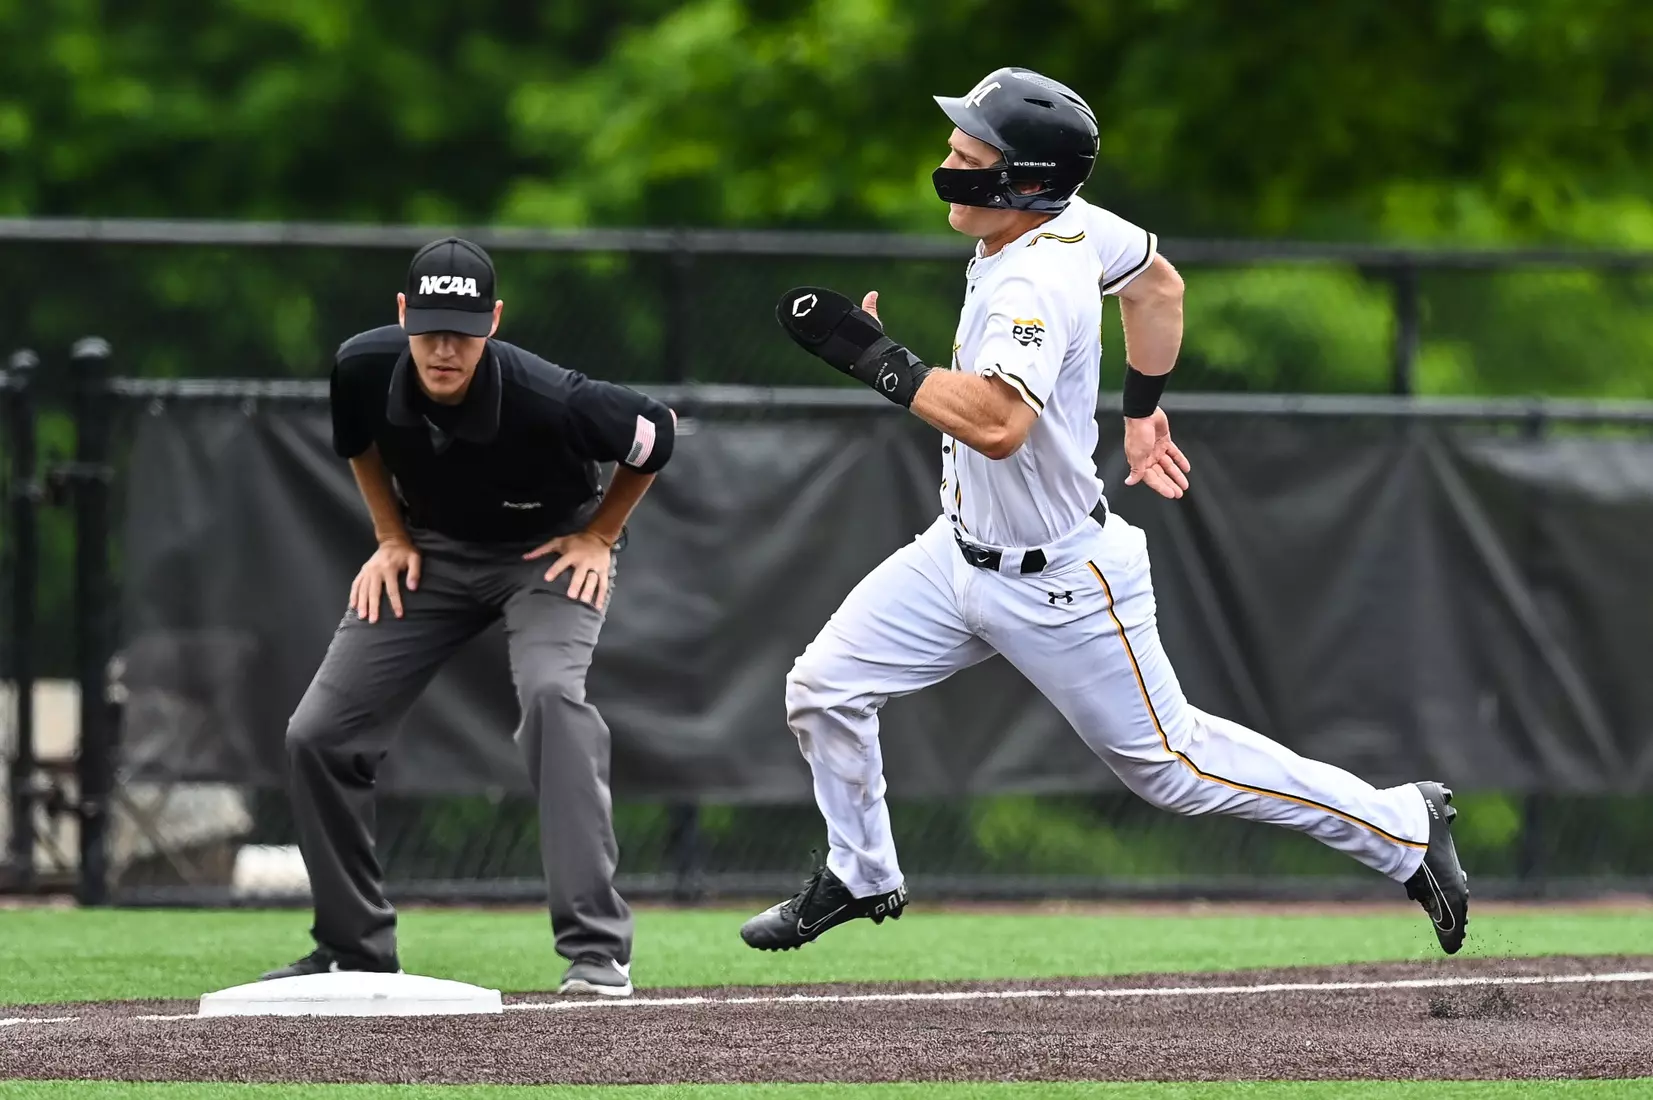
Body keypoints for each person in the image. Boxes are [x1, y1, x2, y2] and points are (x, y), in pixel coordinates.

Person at [744, 68, 1469, 955]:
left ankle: (1400, 825)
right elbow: (1157, 286)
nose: (948, 166)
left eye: (969, 156)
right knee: (824, 688)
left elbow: (999, 426)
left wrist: (878, 360)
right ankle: (862, 873)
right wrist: (1141, 409)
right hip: (955, 554)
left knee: (1174, 767)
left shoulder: (1036, 279)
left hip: (1058, 579)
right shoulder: (1075, 221)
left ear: (1024, 181)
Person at [262, 237, 676, 998]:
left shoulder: (550, 395)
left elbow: (656, 432)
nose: (444, 349)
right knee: (316, 734)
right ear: (402, 315)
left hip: (547, 556)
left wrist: (600, 535)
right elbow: (359, 443)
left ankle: (596, 952)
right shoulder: (361, 366)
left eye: (462, 330)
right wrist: (390, 537)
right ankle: (354, 947)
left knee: (552, 699)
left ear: (494, 321)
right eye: (429, 329)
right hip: (434, 554)